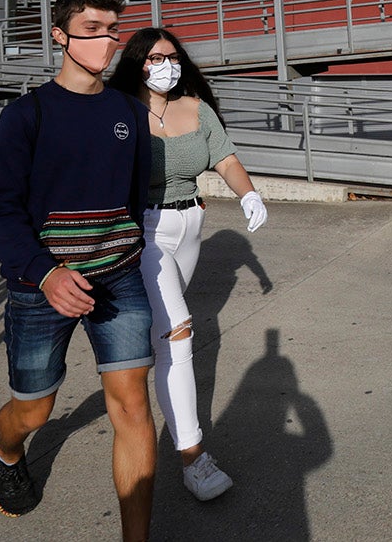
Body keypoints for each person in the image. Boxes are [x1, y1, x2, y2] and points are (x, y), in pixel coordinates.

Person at [0, 0, 156, 541]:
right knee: (33, 412)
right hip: (41, 287)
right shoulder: (25, 114)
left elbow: (133, 198)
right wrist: (46, 273)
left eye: (112, 30)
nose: (108, 41)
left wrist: (127, 252)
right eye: (93, 29)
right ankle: (7, 453)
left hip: (118, 279)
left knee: (132, 406)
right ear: (60, 36)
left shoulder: (130, 110)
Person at [106, 26, 267, 501]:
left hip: (189, 225)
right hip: (145, 230)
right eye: (156, 58)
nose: (167, 65)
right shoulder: (119, 111)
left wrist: (249, 193)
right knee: (178, 330)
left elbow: (225, 158)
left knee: (162, 340)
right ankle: (194, 459)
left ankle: (145, 398)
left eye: (173, 57)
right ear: (137, 62)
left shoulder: (196, 107)